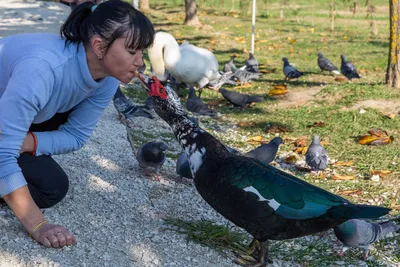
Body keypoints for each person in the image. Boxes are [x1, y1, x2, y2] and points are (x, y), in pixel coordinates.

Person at [0, 0, 155, 248]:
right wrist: (38, 225)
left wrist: (29, 142)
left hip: (10, 121)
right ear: (99, 46)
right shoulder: (42, 70)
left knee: (52, 187)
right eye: (132, 51)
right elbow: (2, 153)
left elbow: (76, 136)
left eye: (142, 52)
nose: (140, 62)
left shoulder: (107, 79)